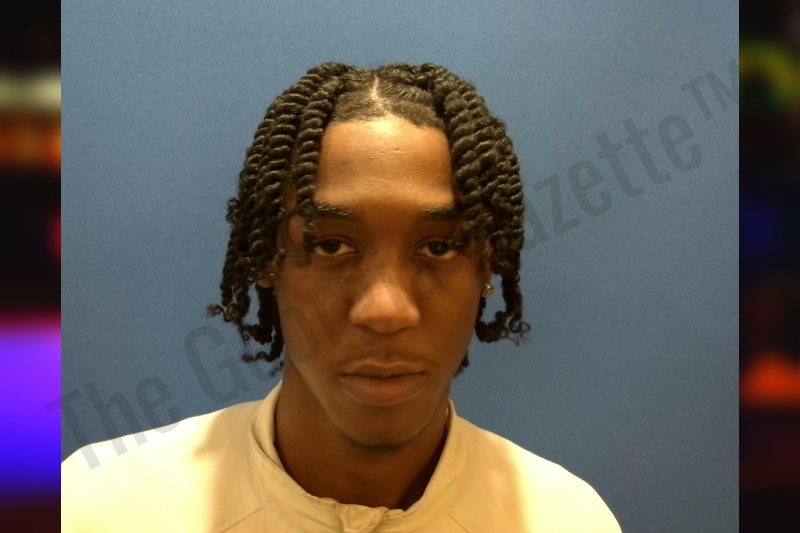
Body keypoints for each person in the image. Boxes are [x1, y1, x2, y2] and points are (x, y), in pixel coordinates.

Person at [61, 63, 622, 532]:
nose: (386, 310)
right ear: (266, 260)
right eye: (330, 245)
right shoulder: (98, 505)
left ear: (488, 269)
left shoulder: (564, 519)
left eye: (440, 247)